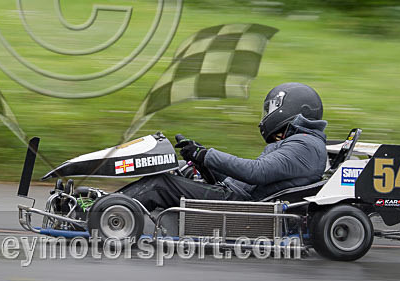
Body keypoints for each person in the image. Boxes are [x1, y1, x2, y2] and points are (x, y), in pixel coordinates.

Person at [120, 82, 328, 211]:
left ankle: (110, 210)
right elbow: (250, 177)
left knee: (160, 184)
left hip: (240, 203)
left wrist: (205, 155)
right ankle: (114, 204)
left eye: (272, 109)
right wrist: (202, 160)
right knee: (179, 167)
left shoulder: (305, 145)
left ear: (293, 108)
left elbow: (256, 172)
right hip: (238, 193)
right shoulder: (302, 142)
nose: (267, 116)